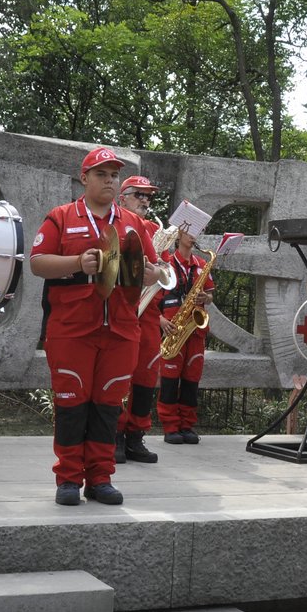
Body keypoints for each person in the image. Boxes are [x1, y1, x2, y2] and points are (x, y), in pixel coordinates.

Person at [28, 147, 154, 506]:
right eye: (102, 174)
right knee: (72, 403)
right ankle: (68, 478)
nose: (110, 181)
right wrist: (76, 263)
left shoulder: (134, 224)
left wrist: (149, 272)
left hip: (121, 330)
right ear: (84, 178)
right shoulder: (61, 217)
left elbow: (160, 270)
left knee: (107, 405)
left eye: (114, 175)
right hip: (71, 328)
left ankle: (100, 478)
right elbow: (37, 263)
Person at [113, 174, 164, 464]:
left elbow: (162, 269)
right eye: (139, 194)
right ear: (123, 198)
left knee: (146, 377)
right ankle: (115, 434)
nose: (145, 200)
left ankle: (136, 437)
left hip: (149, 312)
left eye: (149, 196)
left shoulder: (155, 230)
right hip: (124, 308)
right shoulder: (115, 224)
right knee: (121, 374)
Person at [157, 226, 215, 444]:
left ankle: (187, 425)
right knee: (170, 381)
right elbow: (151, 296)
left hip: (195, 330)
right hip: (172, 328)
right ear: (179, 236)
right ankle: (170, 426)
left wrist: (205, 298)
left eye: (196, 234)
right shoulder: (166, 264)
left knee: (192, 380)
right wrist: (160, 320)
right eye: (190, 233)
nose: (193, 237)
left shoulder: (201, 265)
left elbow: (210, 294)